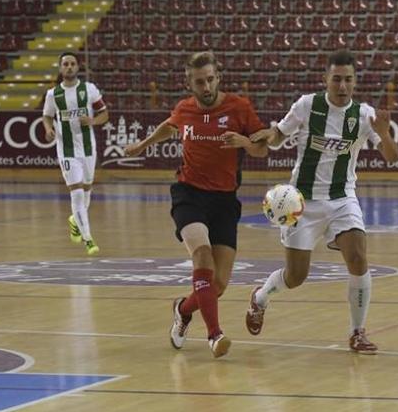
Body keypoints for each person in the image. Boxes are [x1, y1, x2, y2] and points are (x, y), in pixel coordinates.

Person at [245, 49, 398, 354]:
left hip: (343, 198)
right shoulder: (307, 105)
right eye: (337, 79)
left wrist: (383, 133)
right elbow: (279, 134)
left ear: (355, 81)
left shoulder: (364, 115)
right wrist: (268, 134)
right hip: (302, 202)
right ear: (326, 79)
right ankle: (260, 297)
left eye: (349, 80)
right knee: (296, 277)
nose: (343, 86)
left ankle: (358, 332)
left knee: (358, 257)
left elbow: (392, 157)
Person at [123, 51, 268, 358]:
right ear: (189, 82)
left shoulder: (239, 107)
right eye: (199, 81)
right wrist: (141, 146)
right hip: (189, 194)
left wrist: (243, 142)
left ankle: (183, 309)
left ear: (219, 78)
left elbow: (261, 149)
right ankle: (215, 335)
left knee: (217, 285)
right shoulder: (185, 108)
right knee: (201, 255)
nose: (206, 86)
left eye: (210, 79)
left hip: (225, 200)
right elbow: (169, 125)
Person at [41, 52, 109, 255]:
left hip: (88, 148)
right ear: (60, 68)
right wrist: (48, 129)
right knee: (77, 192)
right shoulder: (53, 94)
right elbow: (46, 116)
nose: (69, 67)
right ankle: (88, 239)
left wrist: (92, 121)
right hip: (66, 150)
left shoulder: (89, 90)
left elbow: (104, 114)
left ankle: (75, 219)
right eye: (65, 64)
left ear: (78, 67)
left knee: (87, 189)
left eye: (72, 63)